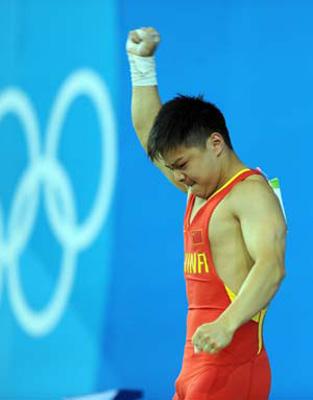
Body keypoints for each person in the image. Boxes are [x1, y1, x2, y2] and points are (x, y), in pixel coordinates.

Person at [126, 27, 287, 400]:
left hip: (232, 367)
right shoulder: (199, 188)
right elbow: (146, 130)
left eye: (183, 164)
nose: (178, 176)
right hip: (197, 365)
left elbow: (271, 266)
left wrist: (227, 324)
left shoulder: (250, 194)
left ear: (216, 143)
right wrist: (141, 65)